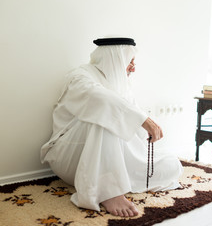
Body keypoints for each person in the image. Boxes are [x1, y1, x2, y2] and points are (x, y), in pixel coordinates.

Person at [40, 37, 183, 217]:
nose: (133, 68)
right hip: (70, 157)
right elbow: (98, 98)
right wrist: (143, 119)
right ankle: (109, 192)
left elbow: (132, 118)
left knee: (171, 165)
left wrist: (143, 123)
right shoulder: (79, 76)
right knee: (103, 115)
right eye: (129, 61)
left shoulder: (121, 84)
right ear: (115, 59)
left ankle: (116, 180)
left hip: (113, 158)